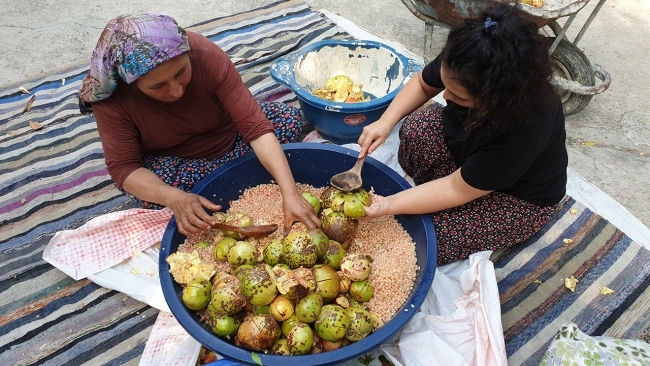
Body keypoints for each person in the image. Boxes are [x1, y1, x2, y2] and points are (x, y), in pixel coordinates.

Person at [357, 4, 568, 265]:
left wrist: (388, 206)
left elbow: (456, 187)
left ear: (494, 98)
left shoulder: (525, 128)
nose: (444, 97)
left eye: (457, 96)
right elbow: (424, 83)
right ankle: (448, 186)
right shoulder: (469, 57)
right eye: (446, 87)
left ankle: (461, 198)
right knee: (415, 130)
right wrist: (386, 122)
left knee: (422, 240)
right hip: (475, 154)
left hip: (516, 197)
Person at [78, 13, 319, 236]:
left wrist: (290, 193)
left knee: (287, 119)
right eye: (158, 86)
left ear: (188, 54)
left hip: (231, 135)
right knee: (155, 194)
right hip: (177, 162)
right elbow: (124, 167)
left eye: (181, 72)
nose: (175, 90)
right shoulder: (112, 98)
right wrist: (175, 198)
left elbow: (255, 127)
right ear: (131, 83)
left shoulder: (206, 55)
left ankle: (232, 173)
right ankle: (240, 171)